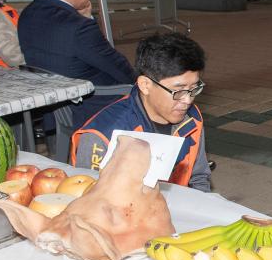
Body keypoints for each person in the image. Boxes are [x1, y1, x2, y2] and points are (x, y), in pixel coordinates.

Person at [71, 32, 211, 191]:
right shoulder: (102, 136)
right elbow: (91, 203)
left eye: (194, 88)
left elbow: (199, 178)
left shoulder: (191, 119)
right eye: (177, 91)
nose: (188, 100)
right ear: (145, 85)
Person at [19, 0, 135, 128]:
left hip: (54, 108)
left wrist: (84, 17)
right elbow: (116, 65)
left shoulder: (28, 14)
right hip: (94, 106)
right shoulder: (77, 27)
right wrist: (141, 83)